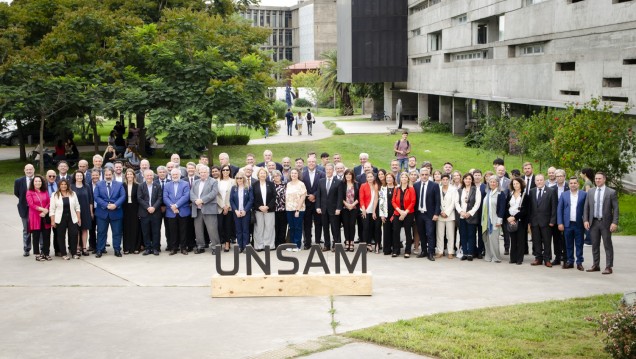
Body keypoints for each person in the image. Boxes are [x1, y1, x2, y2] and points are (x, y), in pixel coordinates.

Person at [583, 172, 619, 275]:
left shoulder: (611, 192)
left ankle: (608, 266)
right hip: (593, 222)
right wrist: (585, 220)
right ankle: (596, 265)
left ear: (604, 179)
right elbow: (586, 207)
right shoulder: (590, 192)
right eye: (596, 178)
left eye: (599, 178)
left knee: (607, 244)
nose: (597, 180)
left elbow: (616, 209)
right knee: (594, 244)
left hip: (606, 222)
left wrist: (614, 222)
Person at [94, 168, 126, 257]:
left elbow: (123, 196)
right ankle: (100, 249)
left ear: (113, 175)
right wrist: (105, 205)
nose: (108, 176)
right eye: (106, 175)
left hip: (116, 212)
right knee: (101, 232)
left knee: (117, 232)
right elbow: (96, 197)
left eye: (109, 175)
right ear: (104, 175)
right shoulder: (99, 184)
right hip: (102, 212)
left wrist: (115, 205)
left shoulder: (119, 184)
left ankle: (117, 249)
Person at [557, 176, 587, 270]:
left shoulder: (583, 194)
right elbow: (560, 209)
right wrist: (560, 223)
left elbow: (587, 209)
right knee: (568, 244)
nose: (573, 185)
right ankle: (570, 261)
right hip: (567, 224)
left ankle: (579, 262)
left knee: (579, 244)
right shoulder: (564, 195)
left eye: (575, 183)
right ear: (568, 184)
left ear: (578, 184)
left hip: (579, 224)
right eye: (571, 183)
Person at [190, 165, 220, 254]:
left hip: (209, 208)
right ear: (199, 173)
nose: (203, 174)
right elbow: (191, 193)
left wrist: (202, 200)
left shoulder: (213, 181)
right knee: (198, 229)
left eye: (204, 172)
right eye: (201, 172)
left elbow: (213, 193)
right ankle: (200, 246)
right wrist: (195, 200)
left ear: (208, 173)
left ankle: (216, 246)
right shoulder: (195, 182)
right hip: (197, 209)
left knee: (212, 229)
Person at [528, 174, 557, 267]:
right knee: (536, 241)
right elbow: (530, 207)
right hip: (534, 221)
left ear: (544, 181)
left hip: (547, 222)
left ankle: (547, 259)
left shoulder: (551, 191)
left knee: (547, 241)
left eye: (541, 180)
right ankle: (538, 258)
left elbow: (554, 207)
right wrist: (529, 221)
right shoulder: (532, 191)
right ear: (535, 182)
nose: (539, 182)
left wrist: (552, 220)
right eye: (537, 180)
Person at [49, 179, 81, 260]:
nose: (63, 186)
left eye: (65, 184)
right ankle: (63, 253)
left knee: (74, 235)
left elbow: (77, 207)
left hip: (72, 217)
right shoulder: (55, 195)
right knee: (61, 236)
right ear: (59, 185)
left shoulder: (73, 194)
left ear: (68, 185)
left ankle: (74, 253)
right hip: (60, 218)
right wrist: (52, 221)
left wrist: (78, 218)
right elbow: (52, 209)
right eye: (62, 184)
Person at [414, 168, 441, 261]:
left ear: (429, 175)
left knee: (430, 234)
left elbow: (438, 201)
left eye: (426, 174)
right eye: (422, 174)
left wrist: (436, 213)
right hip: (419, 214)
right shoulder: (415, 185)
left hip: (430, 214)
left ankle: (430, 253)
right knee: (421, 233)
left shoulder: (434, 185)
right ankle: (423, 251)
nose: (424, 176)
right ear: (420, 175)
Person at [163, 168, 191, 255]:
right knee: (172, 231)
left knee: (183, 230)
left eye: (176, 174)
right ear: (171, 176)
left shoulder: (185, 184)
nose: (175, 176)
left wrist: (176, 205)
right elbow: (165, 197)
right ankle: (173, 248)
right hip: (171, 211)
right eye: (173, 175)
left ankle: (183, 248)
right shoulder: (167, 185)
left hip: (183, 210)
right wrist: (172, 206)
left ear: (180, 175)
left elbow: (186, 196)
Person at [316, 163, 343, 252]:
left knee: (335, 228)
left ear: (333, 170)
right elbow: (319, 196)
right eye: (327, 169)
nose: (328, 171)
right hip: (323, 209)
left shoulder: (338, 182)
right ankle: (327, 245)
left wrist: (339, 208)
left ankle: (336, 245)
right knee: (325, 228)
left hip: (334, 209)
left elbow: (340, 197)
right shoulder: (321, 181)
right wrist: (318, 207)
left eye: (330, 169)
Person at [455, 173, 481, 261]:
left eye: (469, 179)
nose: (468, 180)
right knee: (463, 235)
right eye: (466, 178)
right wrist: (461, 212)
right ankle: (465, 253)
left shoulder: (476, 189)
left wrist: (469, 213)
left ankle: (470, 253)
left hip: (471, 216)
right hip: (462, 216)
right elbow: (456, 202)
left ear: (472, 180)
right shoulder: (460, 190)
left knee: (471, 235)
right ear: (463, 180)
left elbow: (477, 203)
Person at [26, 175, 51, 261]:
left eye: (39, 181)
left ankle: (46, 253)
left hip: (45, 216)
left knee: (46, 235)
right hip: (35, 217)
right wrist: (42, 209)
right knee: (36, 236)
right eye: (36, 181)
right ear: (33, 182)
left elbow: (49, 201)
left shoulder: (45, 191)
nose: (38, 183)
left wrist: (46, 210)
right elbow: (31, 204)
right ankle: (37, 254)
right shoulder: (29, 192)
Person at [301, 156, 325, 249]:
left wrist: (314, 195)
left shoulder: (322, 174)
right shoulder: (303, 174)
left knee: (318, 223)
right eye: (309, 162)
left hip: (317, 202)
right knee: (307, 224)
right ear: (307, 163)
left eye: (313, 162)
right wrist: (308, 196)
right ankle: (307, 243)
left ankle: (318, 242)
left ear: (316, 163)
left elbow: (322, 187)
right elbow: (301, 188)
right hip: (306, 203)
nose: (311, 163)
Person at [138, 169, 162, 256]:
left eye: (151, 175)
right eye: (147, 175)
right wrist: (148, 207)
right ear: (144, 176)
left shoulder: (157, 185)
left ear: (153, 176)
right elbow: (139, 198)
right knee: (145, 231)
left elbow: (160, 198)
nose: (149, 177)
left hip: (156, 212)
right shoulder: (141, 186)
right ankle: (148, 248)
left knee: (156, 231)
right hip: (144, 213)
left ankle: (155, 248)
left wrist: (154, 207)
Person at [505, 177, 529, 265]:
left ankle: (519, 259)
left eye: (517, 183)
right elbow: (506, 207)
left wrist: (514, 217)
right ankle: (512, 258)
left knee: (520, 240)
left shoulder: (525, 195)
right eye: (514, 184)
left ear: (521, 184)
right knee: (513, 240)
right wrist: (509, 217)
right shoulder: (510, 194)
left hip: (520, 220)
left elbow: (525, 210)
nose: (515, 185)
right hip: (510, 220)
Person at [482, 177, 506, 263]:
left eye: (494, 182)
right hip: (486, 221)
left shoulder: (500, 193)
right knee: (487, 240)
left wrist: (499, 220)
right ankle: (488, 256)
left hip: (495, 220)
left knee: (494, 240)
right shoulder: (487, 193)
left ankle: (496, 257)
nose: (492, 183)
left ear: (497, 183)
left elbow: (502, 208)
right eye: (491, 182)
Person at [391, 172, 415, 258]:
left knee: (408, 232)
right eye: (402, 177)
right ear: (400, 179)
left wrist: (405, 212)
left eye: (405, 177)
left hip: (408, 214)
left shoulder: (411, 189)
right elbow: (393, 201)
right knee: (396, 232)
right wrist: (400, 211)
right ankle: (396, 250)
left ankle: (407, 251)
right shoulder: (396, 189)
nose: (404, 179)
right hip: (398, 213)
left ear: (408, 179)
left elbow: (413, 202)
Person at [252, 168, 276, 251]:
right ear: (258, 175)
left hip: (269, 209)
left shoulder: (271, 184)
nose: (262, 175)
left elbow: (274, 196)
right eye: (261, 173)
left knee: (269, 227)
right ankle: (259, 246)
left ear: (266, 175)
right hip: (258, 210)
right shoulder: (254, 185)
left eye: (264, 173)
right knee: (259, 228)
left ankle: (269, 245)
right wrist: (259, 207)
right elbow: (252, 198)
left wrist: (267, 207)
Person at [230, 171, 253, 253]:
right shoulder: (234, 188)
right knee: (238, 230)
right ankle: (240, 246)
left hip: (245, 212)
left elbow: (251, 200)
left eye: (241, 178)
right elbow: (231, 200)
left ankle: (246, 246)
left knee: (245, 230)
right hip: (236, 212)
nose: (239, 180)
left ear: (243, 179)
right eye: (237, 178)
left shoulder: (248, 188)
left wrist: (245, 210)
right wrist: (236, 210)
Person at [71, 171, 93, 256]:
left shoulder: (87, 186)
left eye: (81, 175)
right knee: (76, 230)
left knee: (84, 229)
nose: (79, 177)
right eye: (78, 175)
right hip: (75, 212)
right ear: (75, 177)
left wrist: (91, 212)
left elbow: (91, 200)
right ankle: (77, 248)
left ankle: (84, 247)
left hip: (85, 211)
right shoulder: (71, 187)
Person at [15, 164, 35, 256]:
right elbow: (17, 193)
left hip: (36, 208)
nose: (29, 171)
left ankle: (41, 248)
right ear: (24, 170)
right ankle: (26, 249)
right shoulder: (19, 181)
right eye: (27, 169)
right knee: (26, 229)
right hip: (24, 208)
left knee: (38, 228)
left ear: (33, 170)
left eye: (30, 169)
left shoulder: (39, 180)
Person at [436, 174, 457, 259]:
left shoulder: (453, 189)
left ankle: (450, 251)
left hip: (450, 215)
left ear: (449, 180)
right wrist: (440, 211)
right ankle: (440, 251)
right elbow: (437, 201)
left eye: (446, 179)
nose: (445, 181)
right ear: (441, 180)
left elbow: (453, 202)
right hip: (440, 215)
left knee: (450, 234)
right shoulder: (438, 188)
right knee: (440, 234)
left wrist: (447, 212)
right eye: (443, 179)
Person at [285, 169, 307, 251]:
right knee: (291, 227)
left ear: (298, 174)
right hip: (289, 209)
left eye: (295, 173)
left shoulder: (301, 184)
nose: (293, 175)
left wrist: (297, 210)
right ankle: (291, 245)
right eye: (292, 173)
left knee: (298, 227)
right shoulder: (288, 184)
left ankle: (297, 245)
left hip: (298, 209)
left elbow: (302, 197)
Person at [360, 171, 381, 252]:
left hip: (373, 209)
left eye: (371, 177)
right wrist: (363, 209)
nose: (370, 178)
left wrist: (374, 211)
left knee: (371, 227)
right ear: (366, 178)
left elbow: (376, 199)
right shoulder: (363, 185)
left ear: (374, 177)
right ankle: (364, 244)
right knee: (365, 227)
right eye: (368, 177)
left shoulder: (376, 186)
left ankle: (370, 244)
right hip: (365, 209)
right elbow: (361, 198)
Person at [122, 169, 140, 254]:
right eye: (127, 174)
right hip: (125, 208)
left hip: (135, 209)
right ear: (125, 176)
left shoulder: (137, 186)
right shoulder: (122, 185)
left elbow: (139, 199)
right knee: (126, 228)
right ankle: (126, 248)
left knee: (135, 228)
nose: (129, 176)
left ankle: (135, 247)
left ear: (134, 175)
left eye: (131, 174)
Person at [340, 169, 359, 252]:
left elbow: (359, 197)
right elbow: (340, 196)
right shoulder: (342, 184)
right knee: (346, 225)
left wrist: (352, 205)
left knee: (352, 225)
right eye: (346, 174)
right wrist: (347, 205)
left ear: (352, 176)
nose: (348, 176)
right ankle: (347, 241)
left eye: (349, 174)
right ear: (344, 176)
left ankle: (352, 242)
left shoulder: (357, 184)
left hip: (354, 208)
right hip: (345, 208)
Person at [217, 165, 235, 252]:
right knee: (219, 226)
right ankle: (221, 241)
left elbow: (234, 195)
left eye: (227, 170)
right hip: (219, 207)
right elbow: (215, 195)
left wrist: (227, 206)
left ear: (230, 171)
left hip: (229, 207)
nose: (225, 171)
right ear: (221, 171)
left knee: (228, 226)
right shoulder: (216, 181)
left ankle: (227, 243)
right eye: (223, 170)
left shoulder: (233, 181)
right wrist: (222, 206)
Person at [379, 171, 396, 255]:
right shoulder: (383, 188)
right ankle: (387, 249)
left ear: (393, 179)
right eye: (387, 178)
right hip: (386, 212)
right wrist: (382, 215)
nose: (389, 179)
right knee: (386, 230)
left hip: (395, 212)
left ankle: (395, 248)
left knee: (395, 230)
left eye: (390, 177)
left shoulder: (397, 188)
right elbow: (381, 202)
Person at [272, 170, 288, 248]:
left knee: (283, 226)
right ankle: (276, 242)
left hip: (283, 209)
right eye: (275, 176)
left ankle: (282, 242)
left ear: (280, 176)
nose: (276, 177)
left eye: (278, 175)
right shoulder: (271, 185)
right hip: (274, 209)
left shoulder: (285, 185)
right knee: (275, 226)